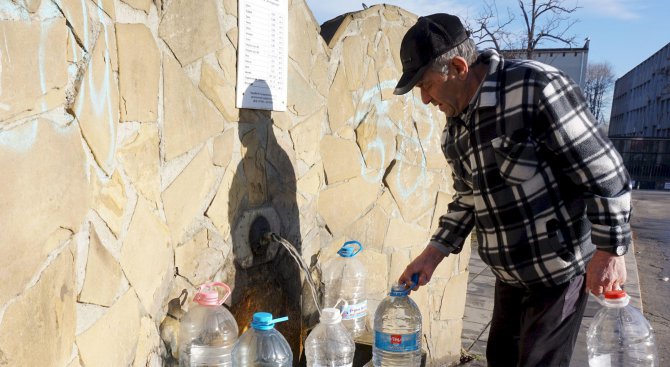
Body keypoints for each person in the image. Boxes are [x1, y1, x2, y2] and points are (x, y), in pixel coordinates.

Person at [395, 13, 631, 366]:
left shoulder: (536, 88)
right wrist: (433, 253)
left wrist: (610, 249)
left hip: (557, 274)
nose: (425, 100)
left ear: (458, 67)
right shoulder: (454, 130)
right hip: (508, 277)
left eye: (426, 85)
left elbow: (605, 171)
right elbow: (467, 198)